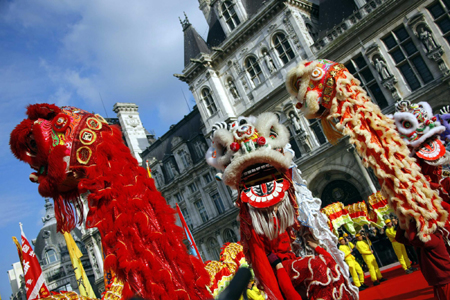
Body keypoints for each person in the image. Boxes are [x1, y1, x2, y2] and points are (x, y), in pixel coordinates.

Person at [396, 222, 450, 299]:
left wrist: (412, 221)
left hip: (444, 279)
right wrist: (403, 221)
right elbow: (399, 238)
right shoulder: (424, 241)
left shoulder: (434, 238)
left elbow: (412, 238)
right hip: (439, 279)